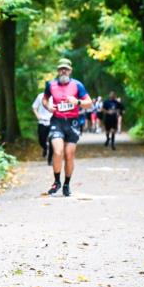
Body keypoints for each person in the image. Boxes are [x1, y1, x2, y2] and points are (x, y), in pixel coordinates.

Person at [43, 58, 93, 197]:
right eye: (61, 69)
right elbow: (45, 99)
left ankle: (66, 184)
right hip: (57, 121)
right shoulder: (51, 85)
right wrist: (48, 106)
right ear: (58, 71)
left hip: (73, 123)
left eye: (66, 68)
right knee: (57, 152)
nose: (63, 71)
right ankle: (57, 181)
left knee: (69, 155)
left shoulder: (78, 85)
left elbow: (89, 103)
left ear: (70, 71)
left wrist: (77, 101)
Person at [31, 90, 53, 163]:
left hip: (53, 121)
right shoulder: (40, 96)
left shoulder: (55, 96)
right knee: (41, 140)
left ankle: (50, 159)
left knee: (52, 141)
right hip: (42, 121)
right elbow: (34, 107)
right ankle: (45, 147)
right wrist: (38, 116)